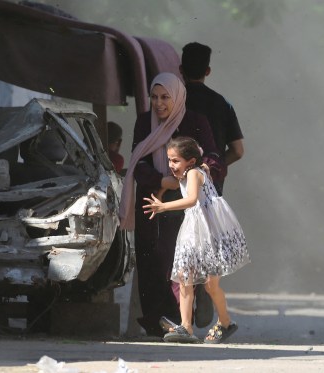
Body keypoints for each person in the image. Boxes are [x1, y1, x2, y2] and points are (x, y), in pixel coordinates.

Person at [119, 72, 226, 337]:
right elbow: (137, 161)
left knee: (180, 264)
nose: (159, 103)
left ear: (177, 97)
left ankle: (184, 320)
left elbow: (213, 158)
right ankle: (158, 322)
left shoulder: (195, 122)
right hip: (151, 203)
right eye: (154, 97)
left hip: (186, 207)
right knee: (151, 262)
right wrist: (162, 181)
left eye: (165, 97)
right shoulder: (145, 122)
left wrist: (194, 175)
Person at [142, 136, 250, 344]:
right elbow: (174, 183)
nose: (171, 165)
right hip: (193, 231)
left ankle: (226, 322)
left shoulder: (194, 173)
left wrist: (163, 206)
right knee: (184, 278)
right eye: (169, 160)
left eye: (175, 161)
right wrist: (161, 191)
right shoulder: (186, 174)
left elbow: (191, 199)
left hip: (208, 232)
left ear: (190, 162)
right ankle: (186, 326)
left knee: (211, 285)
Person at [180, 41, 246, 328]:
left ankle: (182, 315)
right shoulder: (222, 104)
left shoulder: (174, 100)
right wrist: (210, 173)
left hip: (175, 189)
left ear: (180, 69)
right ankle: (207, 294)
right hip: (211, 193)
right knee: (206, 246)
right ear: (208, 70)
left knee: (181, 250)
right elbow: (238, 150)